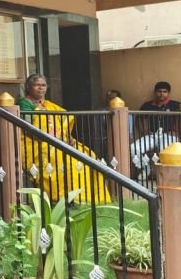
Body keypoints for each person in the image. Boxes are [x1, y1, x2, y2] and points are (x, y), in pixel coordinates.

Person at [18, 74, 111, 203]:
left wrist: (67, 137)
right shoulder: (24, 104)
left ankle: (90, 198)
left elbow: (63, 121)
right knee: (66, 160)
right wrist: (50, 139)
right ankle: (65, 198)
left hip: (57, 140)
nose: (41, 88)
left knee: (88, 155)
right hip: (35, 142)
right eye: (37, 85)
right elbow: (28, 128)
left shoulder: (49, 105)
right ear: (29, 87)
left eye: (43, 85)